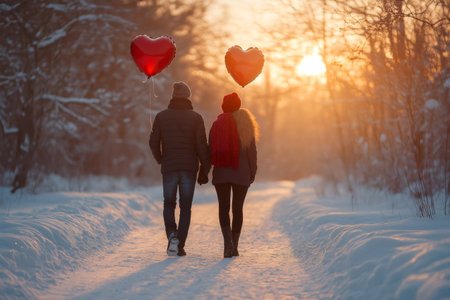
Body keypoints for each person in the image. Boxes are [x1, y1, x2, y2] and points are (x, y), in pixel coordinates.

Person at [149, 81, 210, 257]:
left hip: (169, 167)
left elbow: (153, 142)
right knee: (185, 207)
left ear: (173, 96)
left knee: (168, 203)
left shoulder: (161, 116)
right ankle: (180, 245)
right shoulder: (196, 117)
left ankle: (172, 235)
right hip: (189, 169)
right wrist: (205, 169)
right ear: (188, 97)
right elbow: (201, 145)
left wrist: (161, 159)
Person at [209, 92, 259, 258]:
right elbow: (252, 151)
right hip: (241, 173)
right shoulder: (245, 124)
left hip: (221, 172)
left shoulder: (217, 124)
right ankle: (235, 246)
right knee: (238, 209)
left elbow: (210, 149)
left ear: (223, 106)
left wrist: (204, 171)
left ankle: (227, 245)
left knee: (224, 208)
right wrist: (252, 171)